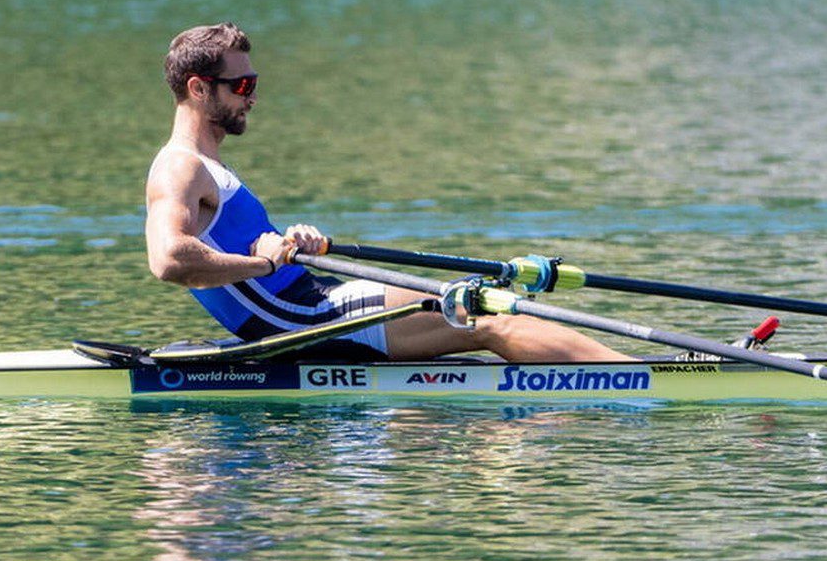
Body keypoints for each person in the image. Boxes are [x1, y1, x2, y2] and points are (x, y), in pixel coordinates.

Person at [145, 22, 630, 362]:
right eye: (242, 83)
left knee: (482, 301)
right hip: (297, 317)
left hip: (308, 298)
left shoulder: (208, 166)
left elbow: (244, 244)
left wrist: (291, 243)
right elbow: (168, 260)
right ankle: (640, 377)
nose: (252, 94)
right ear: (199, 88)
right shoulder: (179, 168)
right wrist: (267, 263)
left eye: (254, 82)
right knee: (480, 313)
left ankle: (620, 368)